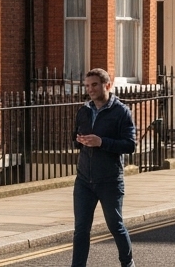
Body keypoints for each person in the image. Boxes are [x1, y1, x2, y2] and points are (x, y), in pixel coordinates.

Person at [71, 68, 136, 267]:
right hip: (84, 180)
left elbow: (130, 145)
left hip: (109, 180)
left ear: (107, 85)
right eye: (87, 85)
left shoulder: (121, 111)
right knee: (81, 229)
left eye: (94, 85)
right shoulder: (84, 110)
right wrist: (79, 140)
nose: (90, 89)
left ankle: (127, 263)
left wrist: (102, 142)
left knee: (115, 226)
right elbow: (74, 139)